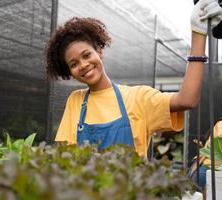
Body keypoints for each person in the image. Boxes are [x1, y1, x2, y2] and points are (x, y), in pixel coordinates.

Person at [45, 0, 222, 157]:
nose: (83, 65)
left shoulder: (138, 98)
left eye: (86, 55)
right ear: (69, 71)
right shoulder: (76, 101)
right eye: (74, 64)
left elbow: (187, 100)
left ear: (99, 51)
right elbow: (64, 156)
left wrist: (198, 34)